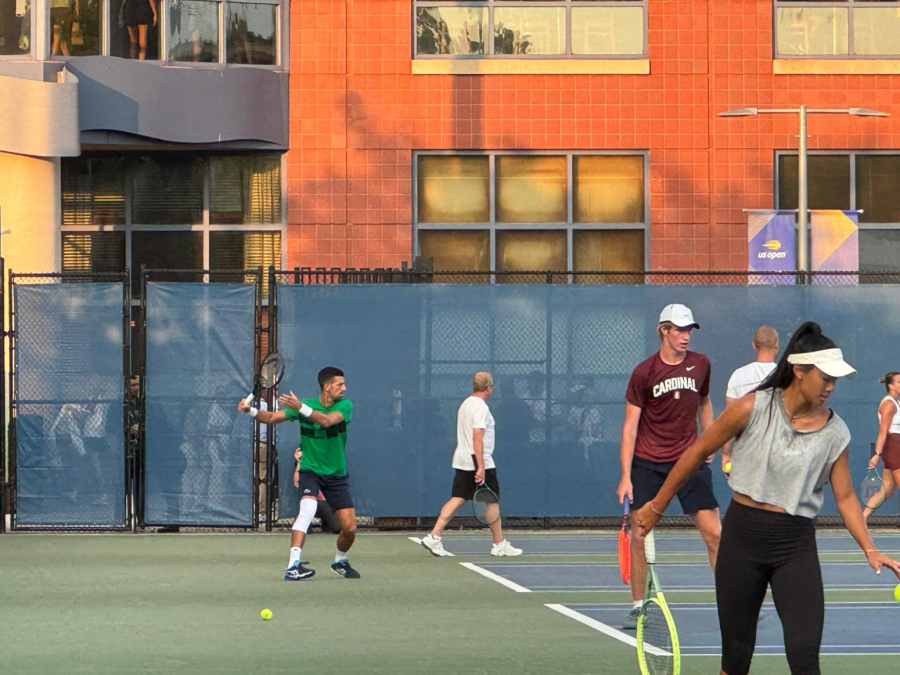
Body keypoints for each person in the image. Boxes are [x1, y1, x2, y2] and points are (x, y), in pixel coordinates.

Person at [634, 322, 900, 675]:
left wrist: (869, 547)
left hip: (795, 546)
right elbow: (696, 453)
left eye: (835, 380)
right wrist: (656, 506)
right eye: (825, 378)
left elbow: (847, 497)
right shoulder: (752, 407)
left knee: (805, 659)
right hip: (742, 542)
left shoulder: (836, 432)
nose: (830, 387)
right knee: (735, 661)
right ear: (800, 370)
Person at [617, 303, 719, 630]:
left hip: (689, 460)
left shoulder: (701, 364)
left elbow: (704, 402)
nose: (685, 336)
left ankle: (732, 602)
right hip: (648, 463)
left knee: (715, 533)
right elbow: (630, 426)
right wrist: (625, 476)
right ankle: (639, 607)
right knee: (639, 532)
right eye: (679, 330)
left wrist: (709, 439)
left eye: (689, 330)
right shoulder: (644, 372)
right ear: (664, 330)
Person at [237, 366, 360, 580]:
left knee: (349, 528)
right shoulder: (305, 405)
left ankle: (340, 561)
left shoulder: (345, 405)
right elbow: (272, 417)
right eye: (340, 384)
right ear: (327, 386)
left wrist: (301, 407)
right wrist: (251, 411)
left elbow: (327, 421)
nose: (344, 388)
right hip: (310, 470)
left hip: (336, 473)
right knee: (307, 511)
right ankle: (293, 565)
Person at [420, 372, 522, 558]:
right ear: (489, 388)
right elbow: (477, 435)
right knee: (492, 501)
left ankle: (434, 536)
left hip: (463, 460)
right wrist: (481, 466)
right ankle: (499, 544)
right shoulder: (480, 407)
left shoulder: (465, 404)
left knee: (458, 497)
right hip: (479, 461)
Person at [722, 326, 779, 473]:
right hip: (779, 456)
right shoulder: (787, 378)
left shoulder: (738, 376)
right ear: (776, 344)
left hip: (746, 456)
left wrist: (726, 454)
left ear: (754, 345)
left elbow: (730, 420)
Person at [864, 372, 900, 520]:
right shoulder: (889, 404)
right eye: (899, 382)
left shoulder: (896, 402)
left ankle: (861, 519)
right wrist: (877, 454)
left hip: (895, 446)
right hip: (893, 447)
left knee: (887, 489)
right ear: (890, 385)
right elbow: (883, 431)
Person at [292, 448, 341, 534]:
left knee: (337, 528)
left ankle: (326, 523)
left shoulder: (328, 464)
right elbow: (297, 483)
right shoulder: (305, 465)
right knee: (303, 530)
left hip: (324, 502)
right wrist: (300, 462)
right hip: (309, 501)